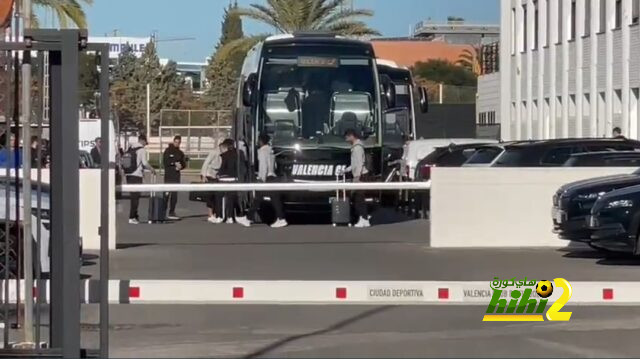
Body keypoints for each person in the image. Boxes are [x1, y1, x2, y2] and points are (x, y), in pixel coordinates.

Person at [239, 134, 288, 228]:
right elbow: (275, 166)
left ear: (261, 141)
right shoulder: (271, 151)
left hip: (267, 178)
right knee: (272, 199)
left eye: (258, 140)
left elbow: (263, 166)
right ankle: (280, 218)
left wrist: (261, 178)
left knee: (260, 198)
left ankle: (248, 218)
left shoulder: (262, 151)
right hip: (273, 177)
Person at [340, 128, 371, 228]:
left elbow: (359, 164)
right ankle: (363, 218)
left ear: (351, 136)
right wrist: (345, 170)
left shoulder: (357, 148)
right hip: (359, 175)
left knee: (359, 199)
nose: (346, 139)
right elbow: (354, 164)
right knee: (358, 198)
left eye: (347, 137)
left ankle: (364, 219)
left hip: (360, 176)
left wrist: (357, 177)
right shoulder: (356, 147)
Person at [218, 138, 250, 226]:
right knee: (236, 198)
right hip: (238, 177)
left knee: (229, 198)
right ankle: (238, 214)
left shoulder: (225, 155)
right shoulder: (240, 153)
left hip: (227, 178)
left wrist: (219, 175)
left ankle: (229, 216)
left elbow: (223, 168)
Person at [126, 134, 155, 224]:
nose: (146, 144)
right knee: (135, 197)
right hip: (136, 175)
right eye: (145, 142)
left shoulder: (131, 148)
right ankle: (132, 217)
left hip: (129, 174)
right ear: (142, 140)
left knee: (132, 197)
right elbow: (145, 163)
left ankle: (135, 216)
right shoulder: (141, 150)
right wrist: (152, 169)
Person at [162, 135, 186, 220]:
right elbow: (165, 161)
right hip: (168, 176)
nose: (177, 144)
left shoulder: (180, 153)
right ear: (173, 141)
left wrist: (181, 166)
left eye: (178, 142)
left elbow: (183, 164)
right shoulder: (168, 151)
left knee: (174, 195)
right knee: (166, 194)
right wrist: (173, 163)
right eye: (176, 142)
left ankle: (172, 211)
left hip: (176, 176)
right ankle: (163, 211)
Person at [201, 137, 224, 223]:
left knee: (216, 196)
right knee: (210, 195)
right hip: (209, 175)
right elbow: (206, 163)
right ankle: (210, 214)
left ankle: (215, 213)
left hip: (216, 176)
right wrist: (203, 175)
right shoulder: (214, 152)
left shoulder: (223, 154)